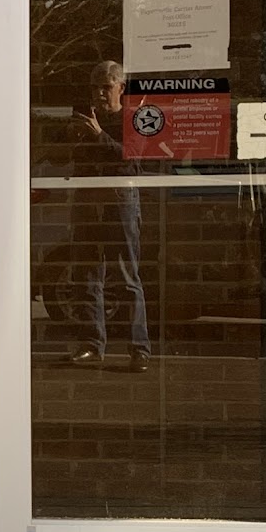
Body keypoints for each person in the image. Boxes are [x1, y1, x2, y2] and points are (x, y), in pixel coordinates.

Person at [62, 60, 151, 368]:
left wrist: (99, 134)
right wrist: (74, 137)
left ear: (120, 88)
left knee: (126, 275)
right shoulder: (86, 119)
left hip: (119, 201)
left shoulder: (134, 119)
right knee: (88, 275)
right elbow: (68, 160)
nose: (99, 94)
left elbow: (133, 162)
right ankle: (91, 343)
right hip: (88, 201)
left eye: (106, 87)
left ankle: (139, 347)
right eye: (94, 87)